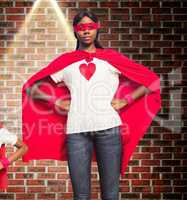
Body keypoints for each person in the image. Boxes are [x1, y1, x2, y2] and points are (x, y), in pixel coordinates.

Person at [22, 10, 161, 200]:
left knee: (110, 194)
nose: (86, 31)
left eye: (90, 27)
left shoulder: (111, 58)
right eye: (81, 27)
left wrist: (125, 100)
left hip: (109, 129)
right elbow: (30, 88)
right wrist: (56, 101)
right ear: (75, 31)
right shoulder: (66, 62)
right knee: (80, 195)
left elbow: (152, 82)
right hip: (76, 132)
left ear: (97, 28)